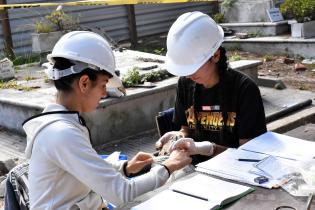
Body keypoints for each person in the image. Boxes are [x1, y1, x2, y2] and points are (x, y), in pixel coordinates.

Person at [22, 31, 192, 210]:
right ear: (84, 83)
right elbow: (121, 193)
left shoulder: (62, 125)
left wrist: (125, 167)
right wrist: (168, 166)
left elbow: (85, 167)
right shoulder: (62, 133)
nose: (104, 93)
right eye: (103, 85)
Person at [156, 11, 267, 164]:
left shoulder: (244, 89)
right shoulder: (185, 83)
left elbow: (249, 155)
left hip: (234, 171)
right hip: (194, 170)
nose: (188, 75)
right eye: (185, 69)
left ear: (215, 55)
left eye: (192, 67)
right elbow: (186, 128)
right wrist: (179, 136)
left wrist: (210, 149)